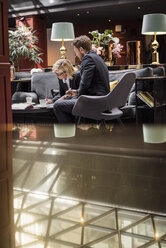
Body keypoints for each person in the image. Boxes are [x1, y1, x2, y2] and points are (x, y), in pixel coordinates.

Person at [53, 35, 110, 123]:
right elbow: (90, 84)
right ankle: (75, 132)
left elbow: (85, 83)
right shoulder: (98, 58)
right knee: (69, 102)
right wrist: (76, 92)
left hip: (95, 101)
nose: (76, 54)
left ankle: (69, 134)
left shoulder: (88, 59)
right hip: (102, 99)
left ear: (81, 49)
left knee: (57, 105)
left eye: (75, 51)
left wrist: (78, 94)